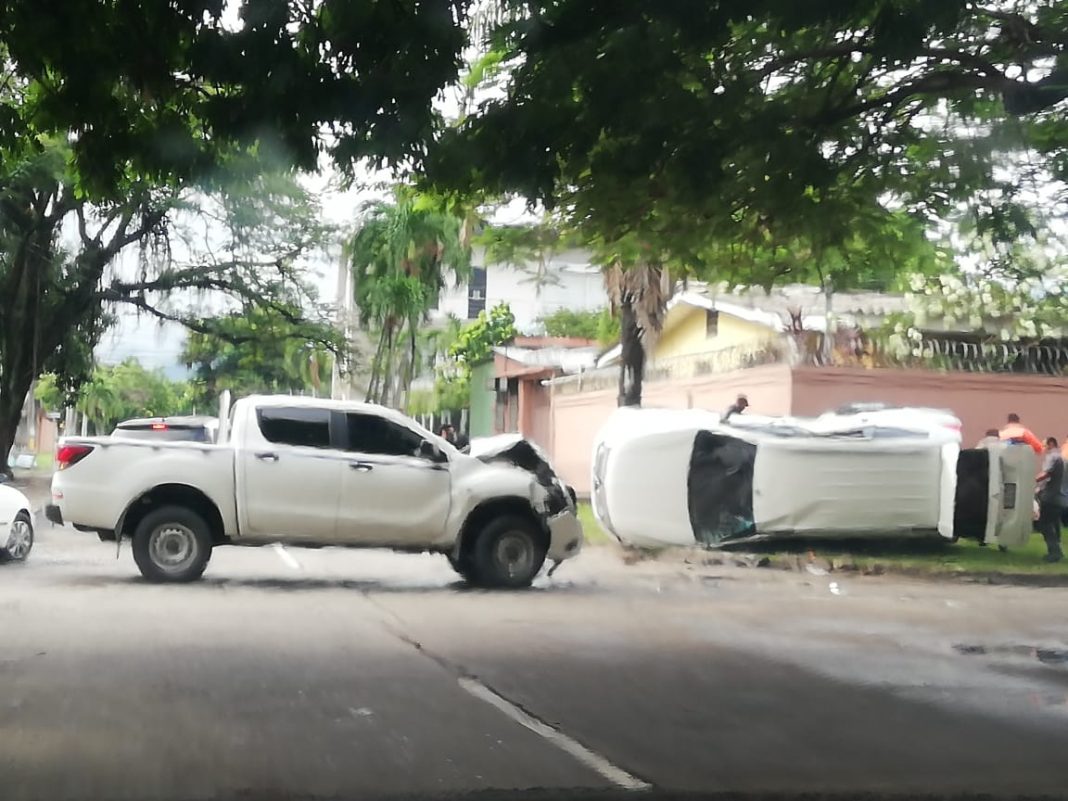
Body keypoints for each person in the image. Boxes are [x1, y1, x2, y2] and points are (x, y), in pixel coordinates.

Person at [1035, 437, 1065, 563]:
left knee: (1044, 524)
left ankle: (1054, 553)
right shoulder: (1062, 457)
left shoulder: (1053, 457)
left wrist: (1032, 480)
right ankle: (1057, 549)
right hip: (1061, 497)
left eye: (1044, 444)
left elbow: (1046, 474)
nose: (1043, 447)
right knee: (1053, 522)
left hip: (1051, 496)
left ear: (1051, 444)